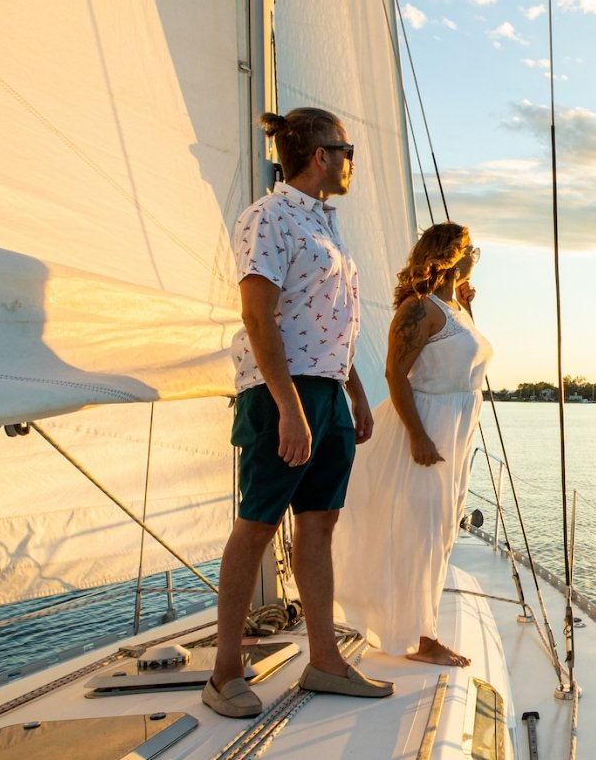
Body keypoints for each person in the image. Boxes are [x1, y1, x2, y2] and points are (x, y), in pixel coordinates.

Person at [203, 107, 393, 719]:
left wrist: (355, 394)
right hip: (279, 393)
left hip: (327, 393)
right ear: (321, 155)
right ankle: (224, 672)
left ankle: (323, 662)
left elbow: (330, 319)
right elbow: (258, 317)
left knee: (319, 526)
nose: (351, 161)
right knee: (256, 524)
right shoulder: (268, 218)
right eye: (346, 149)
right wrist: (289, 407)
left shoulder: (325, 225)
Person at [333, 222, 493, 666]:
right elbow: (393, 374)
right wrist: (419, 435)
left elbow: (465, 364)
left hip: (455, 430)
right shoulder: (418, 309)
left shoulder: (452, 307)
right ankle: (420, 639)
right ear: (449, 255)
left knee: (440, 532)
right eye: (470, 250)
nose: (474, 257)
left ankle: (419, 627)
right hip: (427, 426)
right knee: (419, 533)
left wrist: (466, 306)